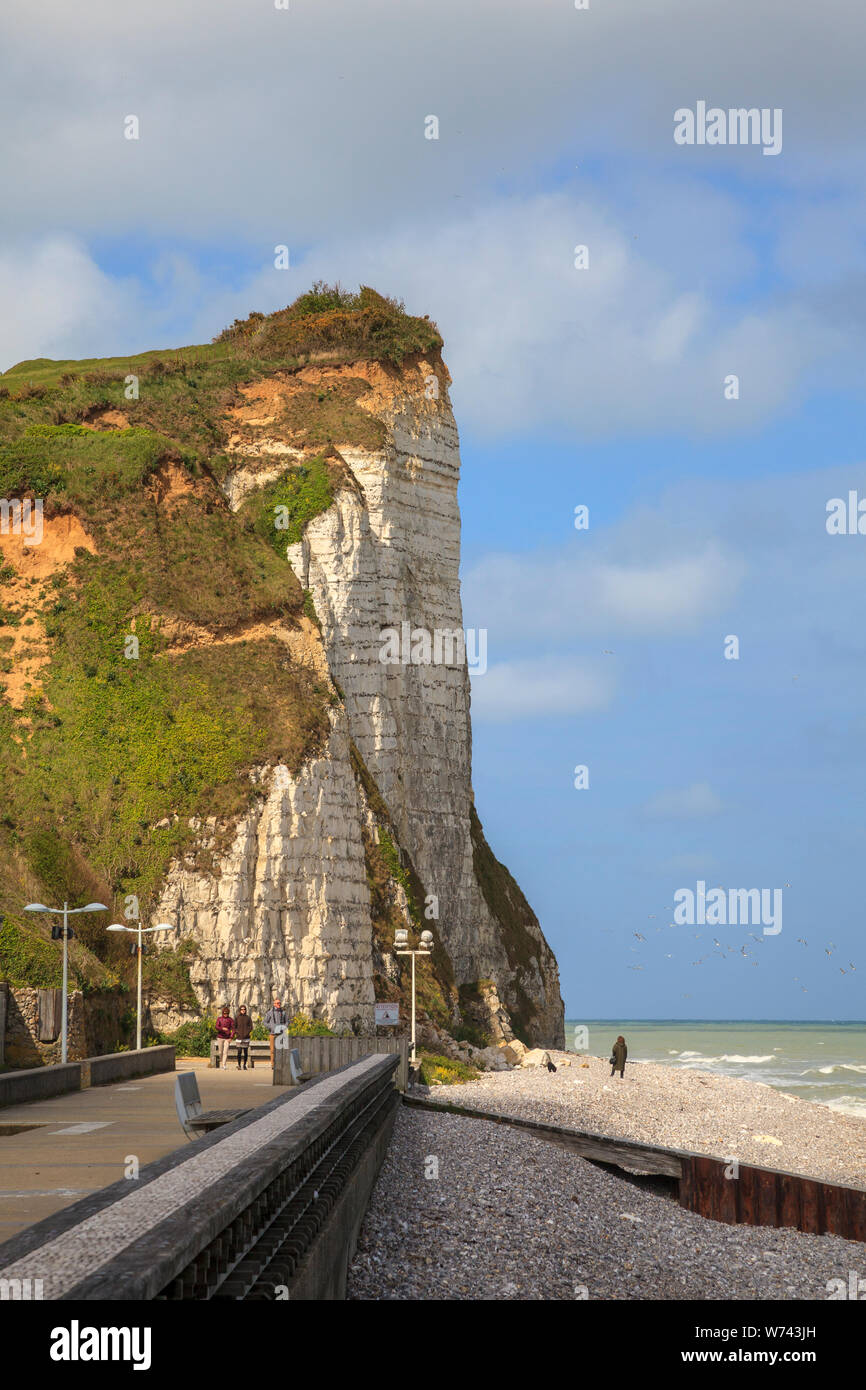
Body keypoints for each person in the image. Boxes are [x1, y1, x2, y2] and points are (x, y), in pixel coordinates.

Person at [264, 996, 289, 1068]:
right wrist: (271, 1027)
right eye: (277, 1003)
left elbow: (287, 1021)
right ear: (274, 1004)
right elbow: (265, 1022)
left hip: (281, 1033)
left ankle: (280, 1064)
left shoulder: (283, 1013)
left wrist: (284, 1027)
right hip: (272, 1034)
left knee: (281, 1050)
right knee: (272, 1050)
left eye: (280, 1003)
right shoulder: (269, 1013)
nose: (279, 1004)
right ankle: (273, 1064)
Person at [234, 1004, 253, 1070]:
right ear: (240, 1010)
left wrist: (247, 1033)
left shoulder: (248, 1018)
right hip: (239, 1037)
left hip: (246, 1037)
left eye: (244, 1009)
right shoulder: (237, 1017)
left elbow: (251, 1027)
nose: (243, 1010)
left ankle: (244, 1065)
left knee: (245, 1052)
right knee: (239, 1051)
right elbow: (234, 1027)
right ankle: (239, 1065)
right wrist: (237, 1033)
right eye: (242, 1009)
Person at [215, 1005, 234, 1069]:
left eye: (227, 1013)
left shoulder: (230, 1020)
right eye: (224, 1013)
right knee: (220, 1052)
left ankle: (224, 1065)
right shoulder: (219, 1019)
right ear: (223, 1013)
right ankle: (221, 1060)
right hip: (220, 1037)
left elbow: (233, 1029)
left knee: (225, 1052)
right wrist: (222, 1029)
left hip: (227, 1038)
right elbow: (216, 1027)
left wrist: (231, 1037)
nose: (226, 1014)